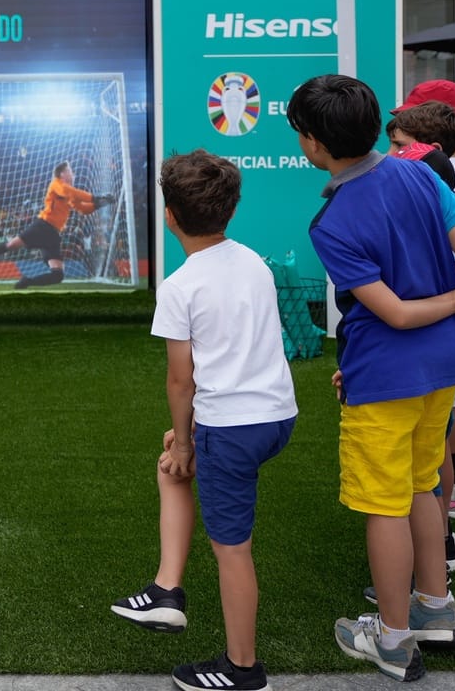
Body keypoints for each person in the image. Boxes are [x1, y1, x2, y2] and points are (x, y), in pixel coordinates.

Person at [287, 75, 455, 683]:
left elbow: (398, 314)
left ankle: (394, 639)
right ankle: (436, 607)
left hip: (385, 376)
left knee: (384, 504)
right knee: (423, 485)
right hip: (443, 368)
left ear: (314, 143)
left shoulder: (331, 222)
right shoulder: (423, 175)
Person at [109, 151, 297, 691]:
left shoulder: (179, 286)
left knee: (232, 550)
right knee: (170, 466)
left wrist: (189, 441)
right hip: (276, 417)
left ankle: (244, 669)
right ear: (231, 210)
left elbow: (180, 381)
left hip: (231, 427)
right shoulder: (255, 263)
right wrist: (185, 440)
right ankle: (165, 590)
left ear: (170, 216)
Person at [388, 97, 455, 534]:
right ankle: (437, 537)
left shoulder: (450, 200)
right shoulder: (440, 192)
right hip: (432, 340)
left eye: (399, 145)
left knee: (433, 448)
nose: (391, 155)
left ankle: (441, 532)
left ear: (430, 152)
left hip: (435, 341)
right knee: (426, 447)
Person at [0, 162, 113, 288]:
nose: (73, 174)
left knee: (58, 275)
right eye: (70, 171)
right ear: (62, 174)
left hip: (53, 234)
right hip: (43, 226)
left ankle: (27, 282)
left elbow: (83, 209)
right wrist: (95, 198)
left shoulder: (70, 193)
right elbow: (68, 191)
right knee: (12, 245)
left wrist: (100, 204)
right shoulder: (56, 184)